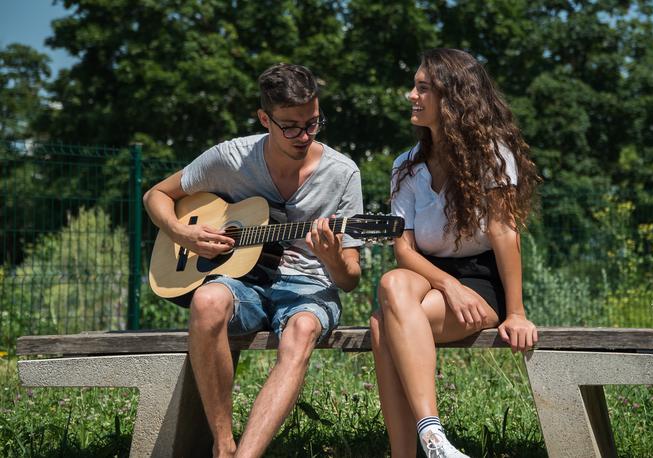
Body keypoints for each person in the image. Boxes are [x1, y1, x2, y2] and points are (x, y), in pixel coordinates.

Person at [143, 63, 363, 458]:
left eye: (313, 123)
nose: (304, 135)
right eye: (291, 127)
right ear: (265, 118)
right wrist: (182, 232)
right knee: (207, 301)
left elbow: (349, 280)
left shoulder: (342, 173)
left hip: (309, 284)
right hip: (243, 283)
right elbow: (155, 195)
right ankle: (223, 445)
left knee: (300, 333)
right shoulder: (230, 158)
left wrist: (333, 260)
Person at [370, 48, 540, 458]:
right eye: (414, 86)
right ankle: (432, 436)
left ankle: (407, 452)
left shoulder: (493, 154)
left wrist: (515, 312)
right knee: (392, 281)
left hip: (481, 279)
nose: (411, 95)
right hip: (428, 276)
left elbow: (504, 232)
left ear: (454, 97)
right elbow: (403, 249)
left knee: (383, 327)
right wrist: (448, 285)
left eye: (423, 88)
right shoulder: (405, 166)